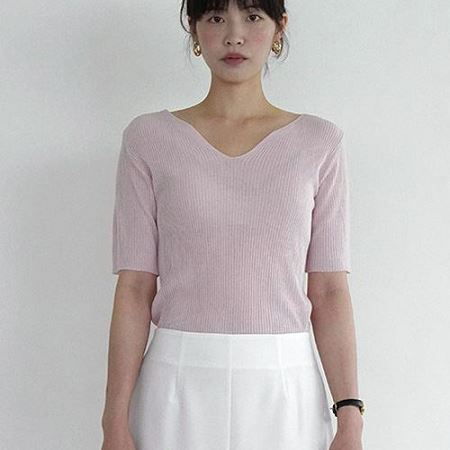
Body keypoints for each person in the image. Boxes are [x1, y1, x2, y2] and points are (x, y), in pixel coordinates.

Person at [101, 1, 364, 449]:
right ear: (194, 29)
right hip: (176, 382)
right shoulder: (148, 139)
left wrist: (350, 417)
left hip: (285, 385)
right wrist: (114, 420)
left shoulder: (319, 143)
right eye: (216, 18)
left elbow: (329, 291)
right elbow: (134, 289)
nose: (234, 36)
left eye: (253, 17)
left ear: (280, 27)